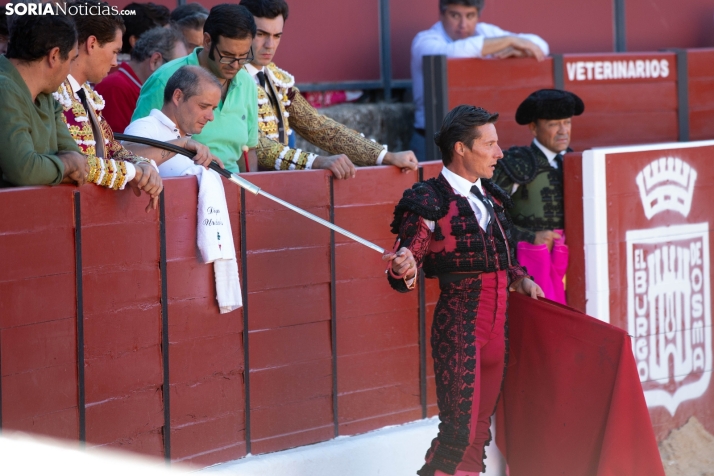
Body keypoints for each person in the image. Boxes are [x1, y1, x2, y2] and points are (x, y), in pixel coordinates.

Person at [383, 105, 542, 476]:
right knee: (457, 433)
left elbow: (500, 254)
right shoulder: (429, 198)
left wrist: (520, 278)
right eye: (490, 145)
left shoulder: (492, 196)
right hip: (461, 329)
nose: (500, 153)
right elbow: (408, 262)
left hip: (497, 329)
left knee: (478, 433)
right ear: (461, 149)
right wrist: (403, 266)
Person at [239, 0, 419, 179]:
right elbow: (259, 146)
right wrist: (317, 162)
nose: (270, 45)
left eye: (277, 35)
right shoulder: (231, 80)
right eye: (261, 34)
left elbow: (319, 127)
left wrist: (384, 156)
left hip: (275, 186)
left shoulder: (276, 80)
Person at [410, 0, 549, 161]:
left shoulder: (484, 31)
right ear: (441, 14)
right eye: (455, 15)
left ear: (478, 15)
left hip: (479, 142)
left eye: (470, 16)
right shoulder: (424, 40)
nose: (463, 24)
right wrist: (509, 41)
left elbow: (541, 45)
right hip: (434, 141)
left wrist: (518, 47)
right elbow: (450, 53)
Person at [59, 0, 162, 209]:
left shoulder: (85, 92)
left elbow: (110, 146)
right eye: (114, 51)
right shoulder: (55, 93)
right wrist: (132, 171)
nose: (115, 62)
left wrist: (141, 163)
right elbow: (77, 163)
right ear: (92, 43)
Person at [132, 3, 259, 174]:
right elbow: (134, 148)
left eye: (243, 56)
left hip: (233, 186)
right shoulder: (166, 78)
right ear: (207, 41)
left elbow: (249, 150)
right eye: (227, 56)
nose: (236, 65)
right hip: (179, 187)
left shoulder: (246, 82)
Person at [491, 89, 584, 303]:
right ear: (533, 127)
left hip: (571, 258)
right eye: (553, 124)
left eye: (567, 122)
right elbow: (488, 215)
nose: (563, 131)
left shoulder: (576, 161)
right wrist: (530, 237)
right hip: (530, 259)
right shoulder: (516, 163)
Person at [0, 14, 89, 187]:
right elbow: (24, 171)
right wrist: (67, 165)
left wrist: (55, 169)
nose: (69, 70)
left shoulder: (45, 94)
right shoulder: (4, 88)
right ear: (54, 55)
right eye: (71, 60)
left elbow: (78, 161)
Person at [125, 65, 224, 176]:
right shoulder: (146, 126)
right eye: (203, 106)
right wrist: (182, 144)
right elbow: (124, 157)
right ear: (178, 97)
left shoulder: (187, 139)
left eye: (213, 109)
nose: (211, 117)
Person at [95, 27, 188, 133]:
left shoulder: (129, 86)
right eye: (176, 68)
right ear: (155, 61)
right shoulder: (116, 87)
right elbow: (116, 143)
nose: (182, 77)